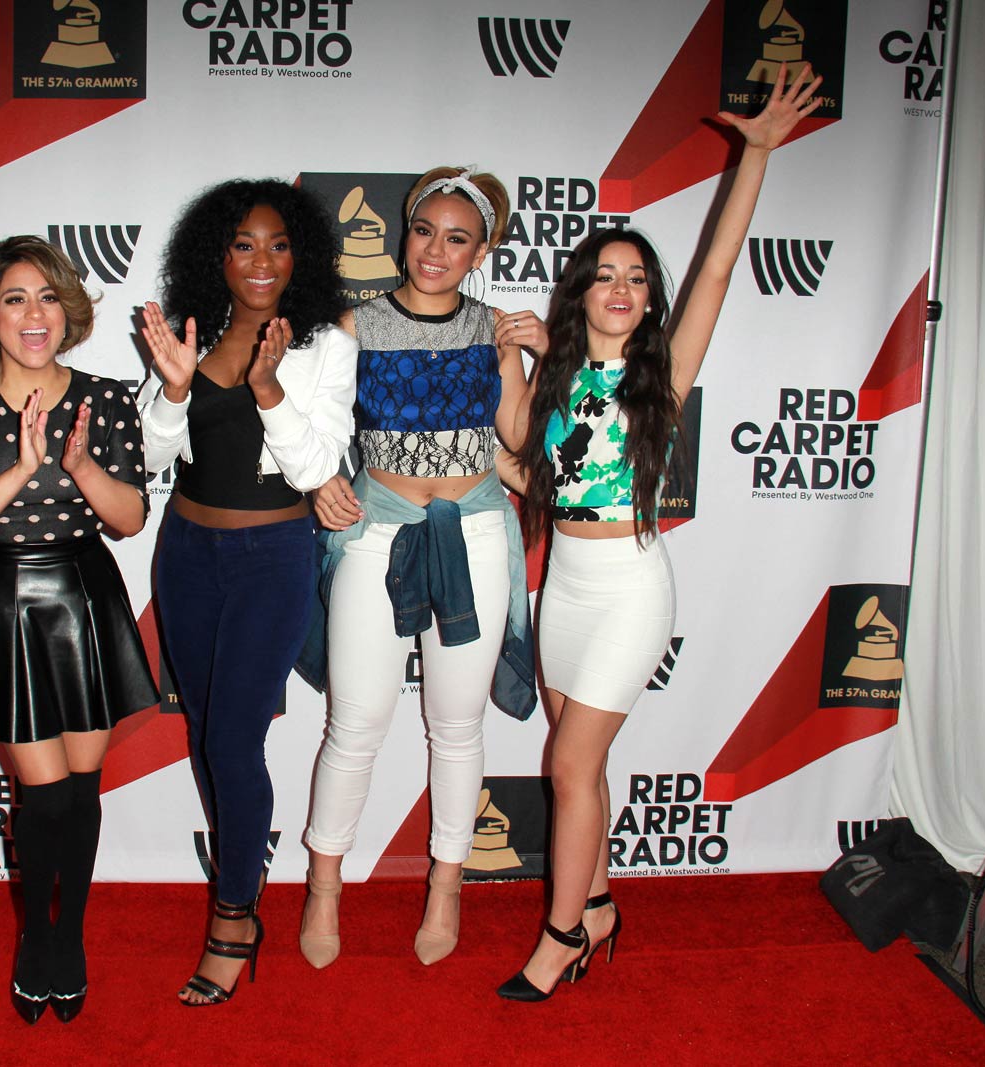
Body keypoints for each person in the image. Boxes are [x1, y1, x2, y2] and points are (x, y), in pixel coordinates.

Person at [500, 64, 824, 1002]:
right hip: (561, 583)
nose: (621, 286)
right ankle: (597, 900)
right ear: (581, 293)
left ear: (649, 301)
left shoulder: (663, 376)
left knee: (569, 766)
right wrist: (506, 362)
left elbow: (717, 266)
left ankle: (560, 935)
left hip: (633, 588)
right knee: (578, 765)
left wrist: (753, 155)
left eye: (637, 278)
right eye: (604, 274)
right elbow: (524, 460)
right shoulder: (553, 376)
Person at [296, 167, 548, 969]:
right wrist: (322, 482)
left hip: (473, 532)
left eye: (457, 238)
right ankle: (323, 888)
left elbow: (518, 434)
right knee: (356, 721)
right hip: (378, 530)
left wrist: (538, 359)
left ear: (482, 251)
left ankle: (446, 884)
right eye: (424, 231)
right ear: (405, 233)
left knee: (457, 725)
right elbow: (315, 426)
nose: (435, 250)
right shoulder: (355, 325)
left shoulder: (493, 331)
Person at [0, 236, 157, 1025]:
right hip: (4, 597)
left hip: (84, 592)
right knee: (44, 792)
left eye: (48, 296)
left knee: (82, 791)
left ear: (68, 310)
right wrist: (20, 469)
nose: (34, 314)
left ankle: (70, 939)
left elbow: (129, 518)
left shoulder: (107, 397)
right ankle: (34, 939)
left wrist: (82, 467)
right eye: (16, 297)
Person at [138, 179, 355, 1006]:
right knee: (204, 735)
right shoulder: (192, 334)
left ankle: (236, 915)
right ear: (215, 256)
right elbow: (154, 461)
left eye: (277, 244)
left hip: (272, 555)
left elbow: (317, 465)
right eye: (241, 244)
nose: (260, 261)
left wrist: (268, 390)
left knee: (233, 744)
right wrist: (172, 386)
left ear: (300, 254)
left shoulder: (325, 346)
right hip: (187, 552)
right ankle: (237, 887)